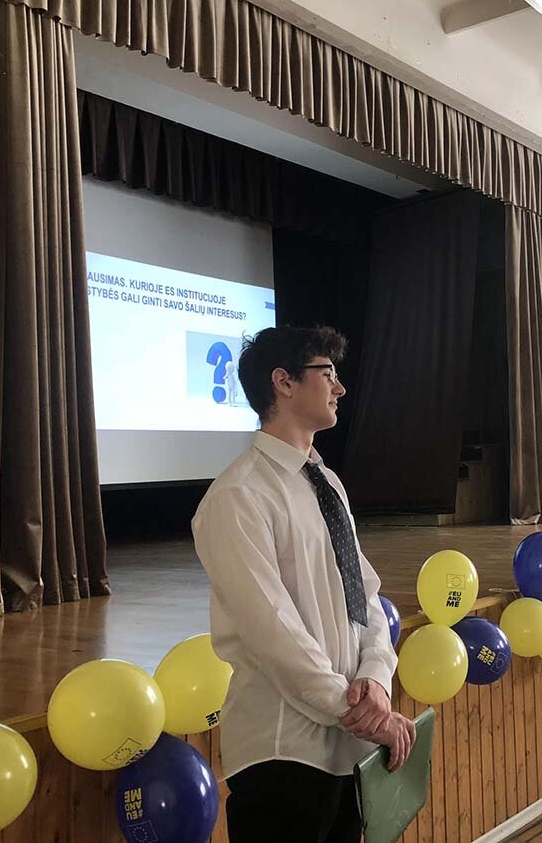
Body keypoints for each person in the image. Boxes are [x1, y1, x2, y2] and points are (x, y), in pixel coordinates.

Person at [193, 326, 415, 843]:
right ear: (284, 382)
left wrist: (377, 676)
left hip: (350, 747)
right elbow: (273, 631)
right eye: (327, 373)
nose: (340, 388)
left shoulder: (326, 481)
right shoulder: (238, 496)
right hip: (283, 752)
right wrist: (356, 710)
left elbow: (365, 596)